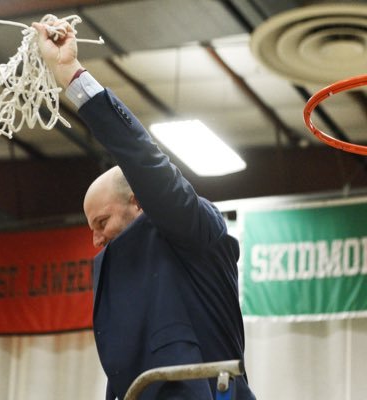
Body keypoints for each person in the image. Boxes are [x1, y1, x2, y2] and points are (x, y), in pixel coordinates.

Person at [33, 20, 256, 400]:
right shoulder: (117, 272)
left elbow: (142, 159)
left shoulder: (195, 229)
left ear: (139, 200)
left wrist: (71, 75)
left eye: (102, 221)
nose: (95, 237)